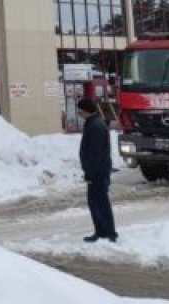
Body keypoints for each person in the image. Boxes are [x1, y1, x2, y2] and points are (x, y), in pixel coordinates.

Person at [77, 98, 117, 243]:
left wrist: (90, 172)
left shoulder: (95, 126)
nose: (78, 112)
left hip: (98, 171)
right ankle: (101, 232)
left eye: (79, 109)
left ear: (85, 110)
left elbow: (96, 152)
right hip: (97, 170)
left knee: (100, 202)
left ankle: (109, 233)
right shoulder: (94, 123)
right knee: (95, 202)